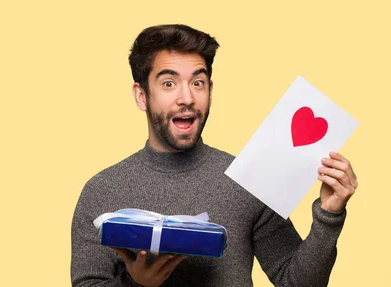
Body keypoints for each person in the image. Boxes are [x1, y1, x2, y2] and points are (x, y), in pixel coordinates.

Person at [70, 24, 359, 287]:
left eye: (198, 82)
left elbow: (297, 282)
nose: (187, 98)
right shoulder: (101, 191)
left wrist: (329, 214)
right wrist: (137, 284)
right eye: (169, 83)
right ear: (141, 95)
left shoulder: (248, 178)